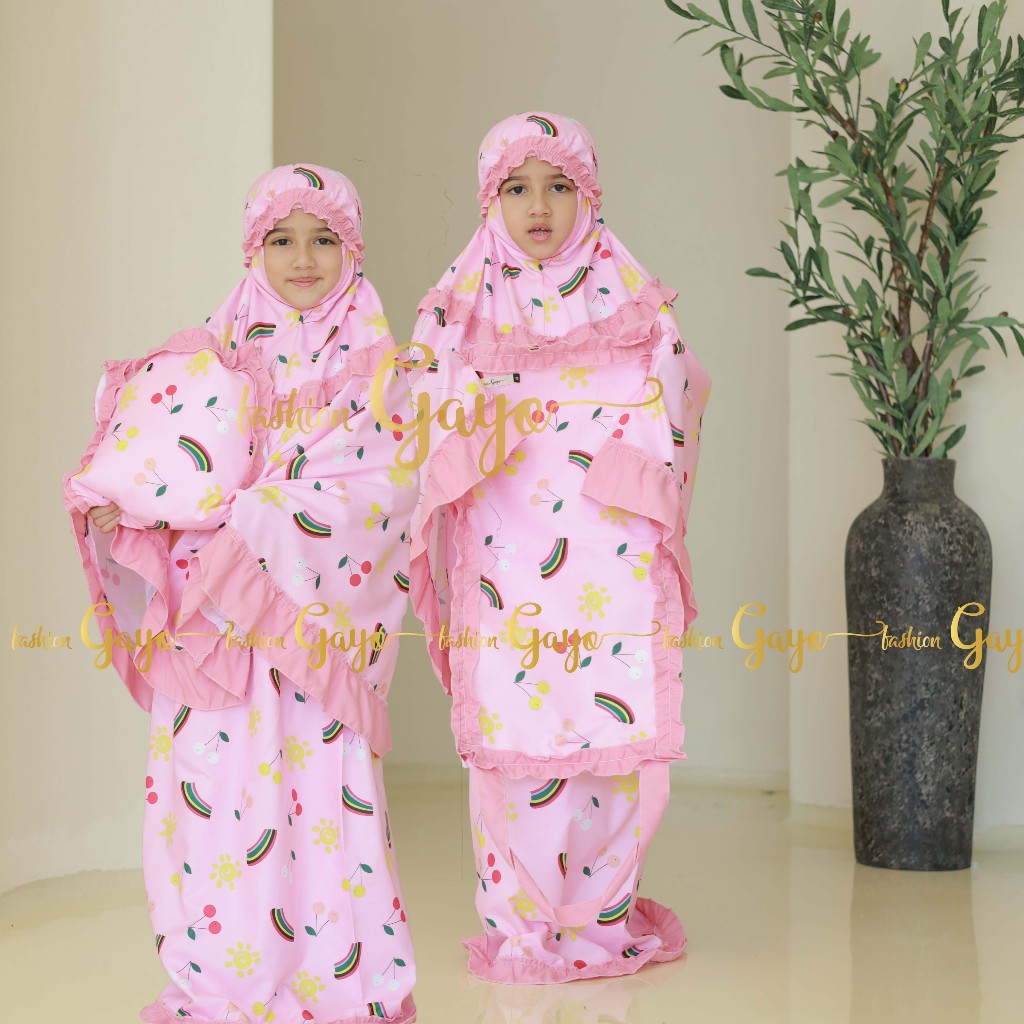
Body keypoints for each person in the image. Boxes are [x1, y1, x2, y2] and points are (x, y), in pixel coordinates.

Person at [64, 164, 418, 1022]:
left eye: (324, 239)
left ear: (353, 248)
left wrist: (257, 516)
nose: (303, 258)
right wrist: (129, 507)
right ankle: (221, 976)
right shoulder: (208, 359)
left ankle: (334, 978)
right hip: (214, 628)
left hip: (313, 632)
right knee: (215, 795)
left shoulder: (379, 370)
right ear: (252, 249)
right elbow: (165, 468)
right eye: (280, 239)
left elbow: (384, 491)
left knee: (317, 800)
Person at [408, 112, 710, 984]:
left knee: (609, 729)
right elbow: (419, 414)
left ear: (590, 194)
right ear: (490, 199)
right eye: (517, 187)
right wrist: (468, 449)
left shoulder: (636, 306)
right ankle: (522, 925)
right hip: (504, 558)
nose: (538, 206)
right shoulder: (458, 310)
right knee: (514, 735)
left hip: (610, 553)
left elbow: (678, 399)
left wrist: (635, 474)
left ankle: (601, 919)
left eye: (558, 186)